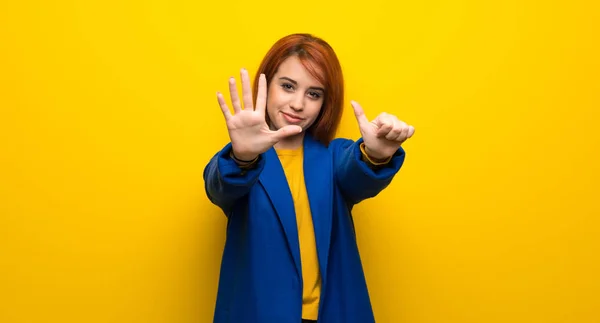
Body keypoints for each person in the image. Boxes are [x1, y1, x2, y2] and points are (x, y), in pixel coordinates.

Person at [203, 33, 415, 323]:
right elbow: (220, 186)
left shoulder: (335, 156)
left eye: (314, 94)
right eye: (288, 86)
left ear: (325, 102)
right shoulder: (242, 162)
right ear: (266, 84)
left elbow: (357, 173)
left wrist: (376, 154)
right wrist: (242, 156)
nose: (298, 104)